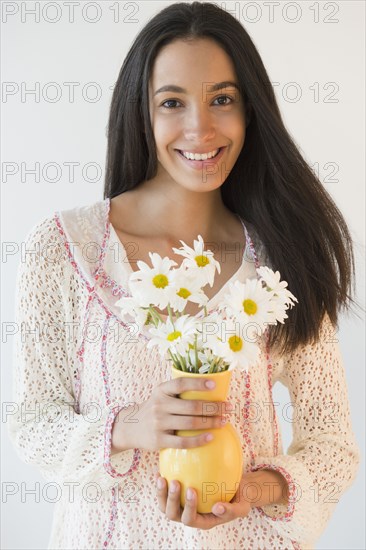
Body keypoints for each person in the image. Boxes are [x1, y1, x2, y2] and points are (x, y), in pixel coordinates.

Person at [9, 2, 361, 549]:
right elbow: (31, 423)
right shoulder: (64, 250)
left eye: (222, 99)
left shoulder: (283, 257)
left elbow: (332, 444)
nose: (201, 127)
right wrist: (127, 427)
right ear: (140, 113)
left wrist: (258, 490)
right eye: (172, 102)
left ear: (250, 112)